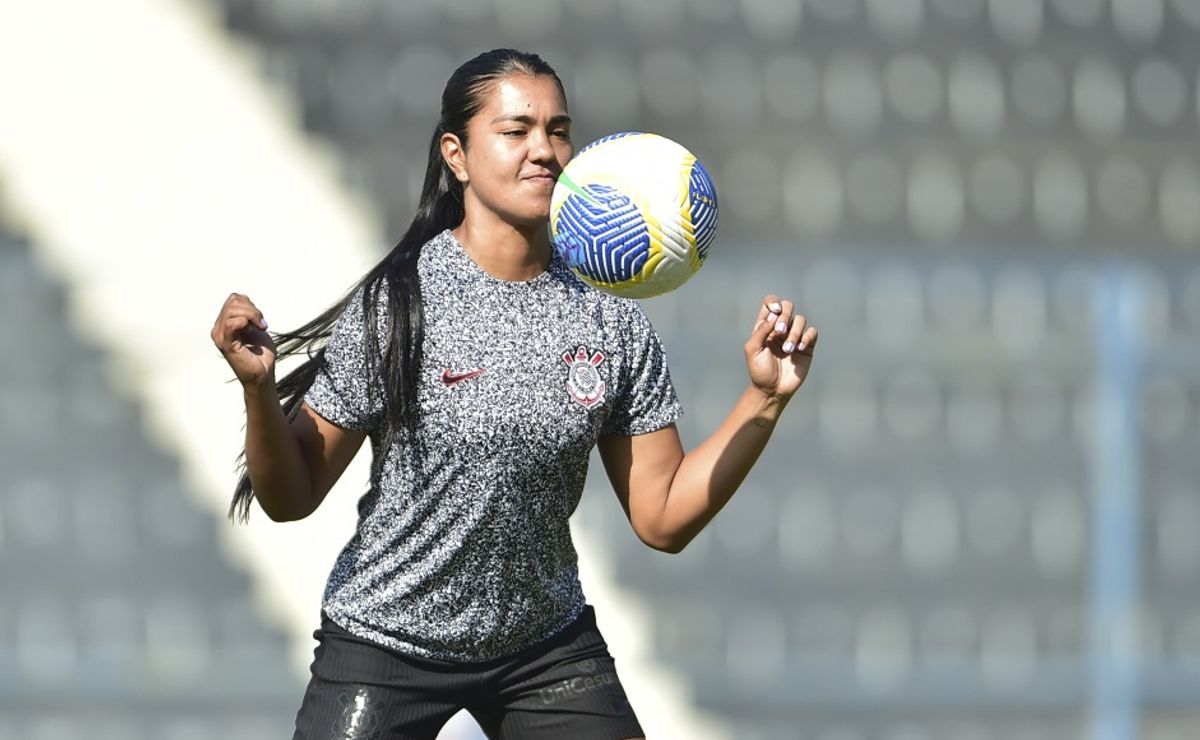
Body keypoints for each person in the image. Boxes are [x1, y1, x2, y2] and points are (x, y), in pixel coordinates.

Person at [210, 48, 817, 740]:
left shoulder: (611, 316)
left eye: (559, 130)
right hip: (387, 643)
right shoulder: (397, 304)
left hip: (542, 646)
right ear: (457, 154)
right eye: (517, 130)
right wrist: (259, 392)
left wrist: (763, 402)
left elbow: (663, 517)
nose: (545, 151)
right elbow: (292, 498)